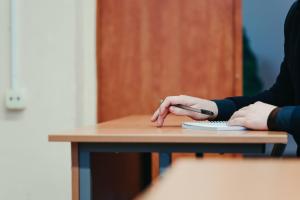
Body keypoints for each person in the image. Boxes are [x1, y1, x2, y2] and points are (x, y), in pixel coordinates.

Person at [151, 1, 300, 155]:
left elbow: (276, 109)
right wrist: (213, 108)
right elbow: (282, 96)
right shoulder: (297, 13)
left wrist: (276, 116)